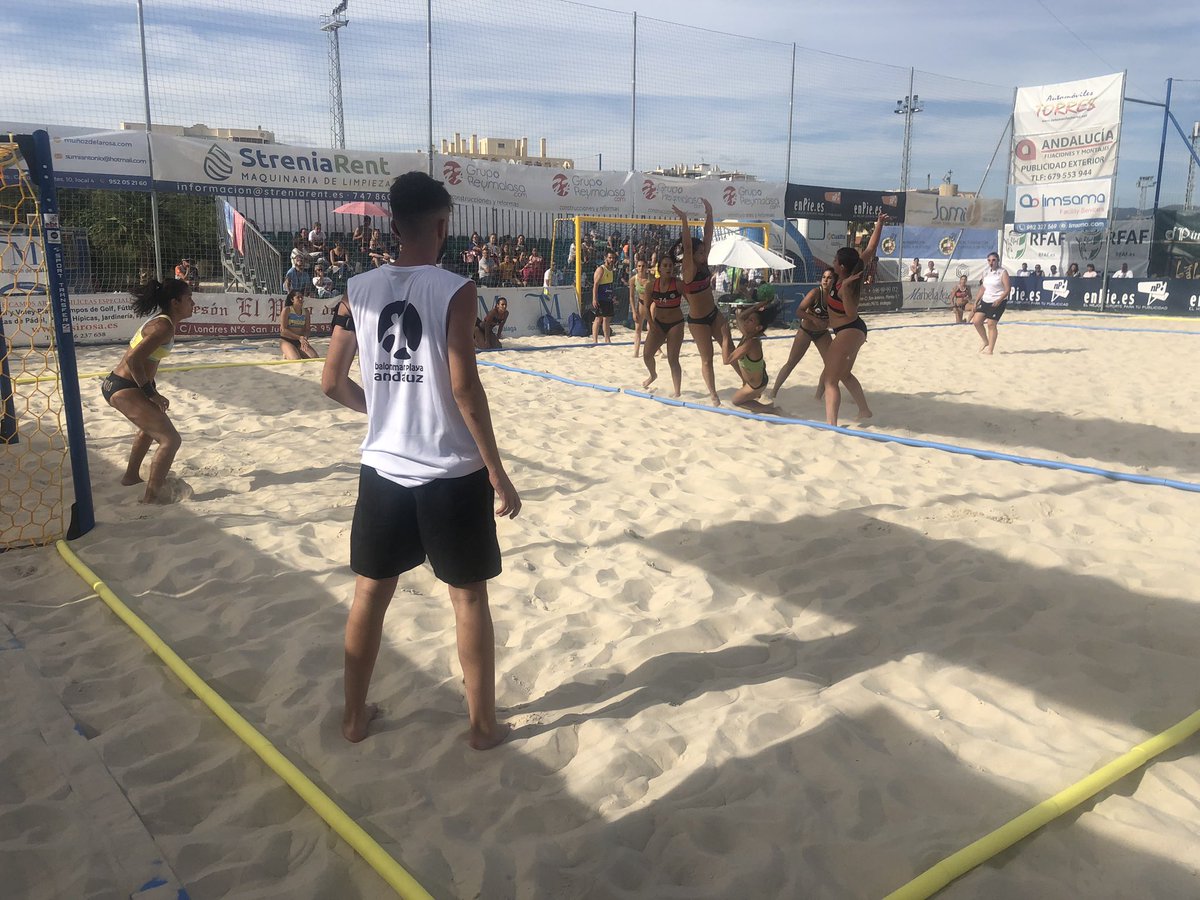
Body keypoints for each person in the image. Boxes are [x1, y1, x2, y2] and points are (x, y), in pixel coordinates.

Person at [321, 171, 520, 749]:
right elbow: (465, 390)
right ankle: (482, 728)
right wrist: (499, 473)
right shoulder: (455, 288)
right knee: (468, 598)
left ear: (392, 223)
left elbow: (332, 382)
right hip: (451, 472)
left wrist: (386, 416)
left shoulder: (355, 288)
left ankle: (354, 718)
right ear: (441, 224)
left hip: (382, 468)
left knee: (369, 594)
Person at [99, 278, 194, 504]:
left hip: (127, 385)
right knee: (170, 440)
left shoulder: (164, 322)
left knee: (150, 429)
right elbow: (133, 360)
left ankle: (131, 477)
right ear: (175, 302)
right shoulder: (163, 326)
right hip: (124, 387)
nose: (193, 303)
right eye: (189, 298)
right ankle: (151, 498)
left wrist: (151, 390)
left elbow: (144, 362)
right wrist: (151, 394)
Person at [821, 212, 887, 426]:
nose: (832, 262)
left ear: (841, 267)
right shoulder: (853, 270)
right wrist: (879, 224)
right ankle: (864, 410)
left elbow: (850, 314)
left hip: (849, 329)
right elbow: (870, 248)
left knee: (830, 380)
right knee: (845, 375)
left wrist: (847, 289)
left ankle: (832, 424)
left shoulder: (845, 287)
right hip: (852, 330)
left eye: (835, 260)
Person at [673, 199, 733, 405]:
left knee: (729, 347)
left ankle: (746, 381)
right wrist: (684, 220)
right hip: (698, 322)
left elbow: (708, 236)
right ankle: (714, 394)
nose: (704, 253)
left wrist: (710, 214)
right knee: (707, 359)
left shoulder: (704, 261)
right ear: (692, 255)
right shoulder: (688, 269)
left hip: (713, 314)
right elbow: (688, 246)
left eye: (704, 252)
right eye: (701, 252)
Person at [768, 268, 835, 401]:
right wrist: (815, 319)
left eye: (829, 278)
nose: (825, 280)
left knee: (830, 365)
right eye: (824, 277)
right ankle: (773, 392)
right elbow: (799, 311)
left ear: (835, 280)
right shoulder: (816, 292)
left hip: (822, 333)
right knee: (791, 362)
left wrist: (829, 323)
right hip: (806, 331)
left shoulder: (835, 296)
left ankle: (817, 397)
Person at [640, 254, 685, 397]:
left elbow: (692, 301)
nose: (668, 268)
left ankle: (677, 392)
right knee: (647, 355)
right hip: (658, 324)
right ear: (659, 268)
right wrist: (651, 323)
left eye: (670, 266)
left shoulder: (678, 284)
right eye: (665, 266)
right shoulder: (651, 285)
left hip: (675, 324)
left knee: (673, 359)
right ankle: (653, 375)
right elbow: (646, 307)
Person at [724, 301, 779, 412]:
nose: (746, 321)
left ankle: (771, 410)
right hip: (759, 378)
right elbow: (740, 317)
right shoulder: (748, 334)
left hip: (756, 385)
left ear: (758, 328)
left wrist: (725, 337)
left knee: (736, 401)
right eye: (748, 319)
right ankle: (762, 402)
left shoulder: (751, 343)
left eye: (750, 321)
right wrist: (756, 307)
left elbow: (727, 360)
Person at [972, 250, 1010, 355]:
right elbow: (983, 288)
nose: (991, 262)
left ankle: (990, 350)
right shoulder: (985, 272)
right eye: (989, 260)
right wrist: (976, 301)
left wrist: (999, 300)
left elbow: (1007, 289)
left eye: (993, 260)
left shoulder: (1003, 272)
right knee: (976, 321)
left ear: (998, 261)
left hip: (997, 301)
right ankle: (985, 341)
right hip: (986, 300)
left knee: (991, 324)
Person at [279, 289, 318, 360]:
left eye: (302, 297)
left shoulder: (306, 312)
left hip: (299, 341)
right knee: (296, 359)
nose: (301, 299)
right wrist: (299, 337)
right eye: (298, 297)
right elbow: (283, 330)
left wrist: (305, 339)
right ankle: (288, 352)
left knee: (314, 357)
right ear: (292, 299)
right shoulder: (287, 310)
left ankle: (296, 351)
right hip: (287, 340)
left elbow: (307, 329)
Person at [591, 249, 617, 344]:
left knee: (607, 319)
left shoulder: (611, 270)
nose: (611, 260)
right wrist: (594, 298)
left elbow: (610, 284)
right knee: (598, 318)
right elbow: (595, 285)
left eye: (613, 258)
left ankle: (607, 340)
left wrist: (613, 296)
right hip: (601, 298)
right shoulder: (601, 269)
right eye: (610, 258)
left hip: (608, 297)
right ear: (605, 258)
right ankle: (595, 341)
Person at [629, 256, 652, 358]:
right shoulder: (633, 279)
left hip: (651, 303)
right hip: (641, 303)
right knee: (638, 328)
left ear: (646, 267)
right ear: (636, 267)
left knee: (651, 327)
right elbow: (631, 296)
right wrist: (634, 311)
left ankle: (656, 349)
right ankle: (636, 352)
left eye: (643, 266)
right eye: (639, 266)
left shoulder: (651, 278)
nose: (641, 268)